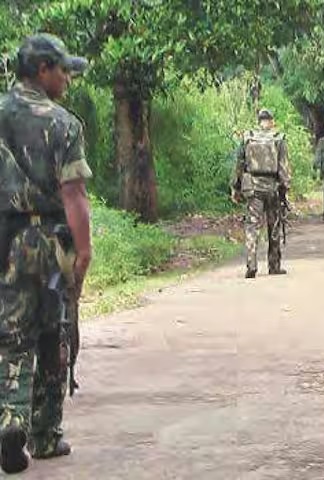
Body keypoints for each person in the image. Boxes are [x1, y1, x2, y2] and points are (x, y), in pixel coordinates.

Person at [0, 33, 93, 473]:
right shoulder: (63, 124)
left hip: (4, 239)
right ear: (42, 70)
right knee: (54, 331)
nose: (68, 79)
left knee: (10, 332)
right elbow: (74, 194)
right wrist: (84, 250)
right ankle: (44, 434)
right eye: (63, 70)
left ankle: (8, 419)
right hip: (48, 241)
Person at [231, 108, 291, 279]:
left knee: (252, 226)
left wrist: (235, 187)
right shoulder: (278, 138)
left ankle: (251, 265)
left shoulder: (248, 138)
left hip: (253, 188)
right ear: (271, 121)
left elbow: (239, 164)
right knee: (274, 226)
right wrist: (285, 188)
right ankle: (274, 265)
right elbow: (284, 167)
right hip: (272, 188)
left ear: (258, 121)